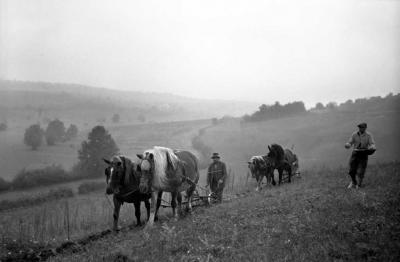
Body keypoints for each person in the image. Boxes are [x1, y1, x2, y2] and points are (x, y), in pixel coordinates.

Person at [345, 122, 376, 188]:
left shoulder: (368, 135)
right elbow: (350, 142)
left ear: (365, 128)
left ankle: (358, 184)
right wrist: (348, 145)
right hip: (355, 153)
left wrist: (372, 147)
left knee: (361, 170)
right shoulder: (354, 134)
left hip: (364, 153)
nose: (361, 129)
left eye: (362, 127)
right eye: (360, 127)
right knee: (351, 170)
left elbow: (372, 143)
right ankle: (353, 182)